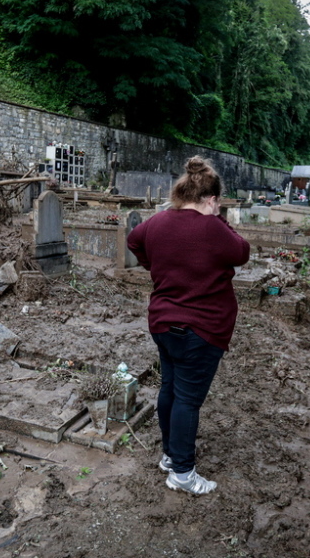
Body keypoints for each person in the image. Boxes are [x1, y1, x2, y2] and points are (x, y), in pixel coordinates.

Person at [127, 156, 250, 495]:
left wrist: (155, 264)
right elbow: (242, 251)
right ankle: (182, 472)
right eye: (217, 203)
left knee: (170, 388)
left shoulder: (158, 222)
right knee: (187, 399)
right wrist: (219, 219)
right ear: (211, 199)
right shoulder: (213, 227)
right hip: (201, 328)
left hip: (164, 323)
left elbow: (134, 240)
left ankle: (170, 455)